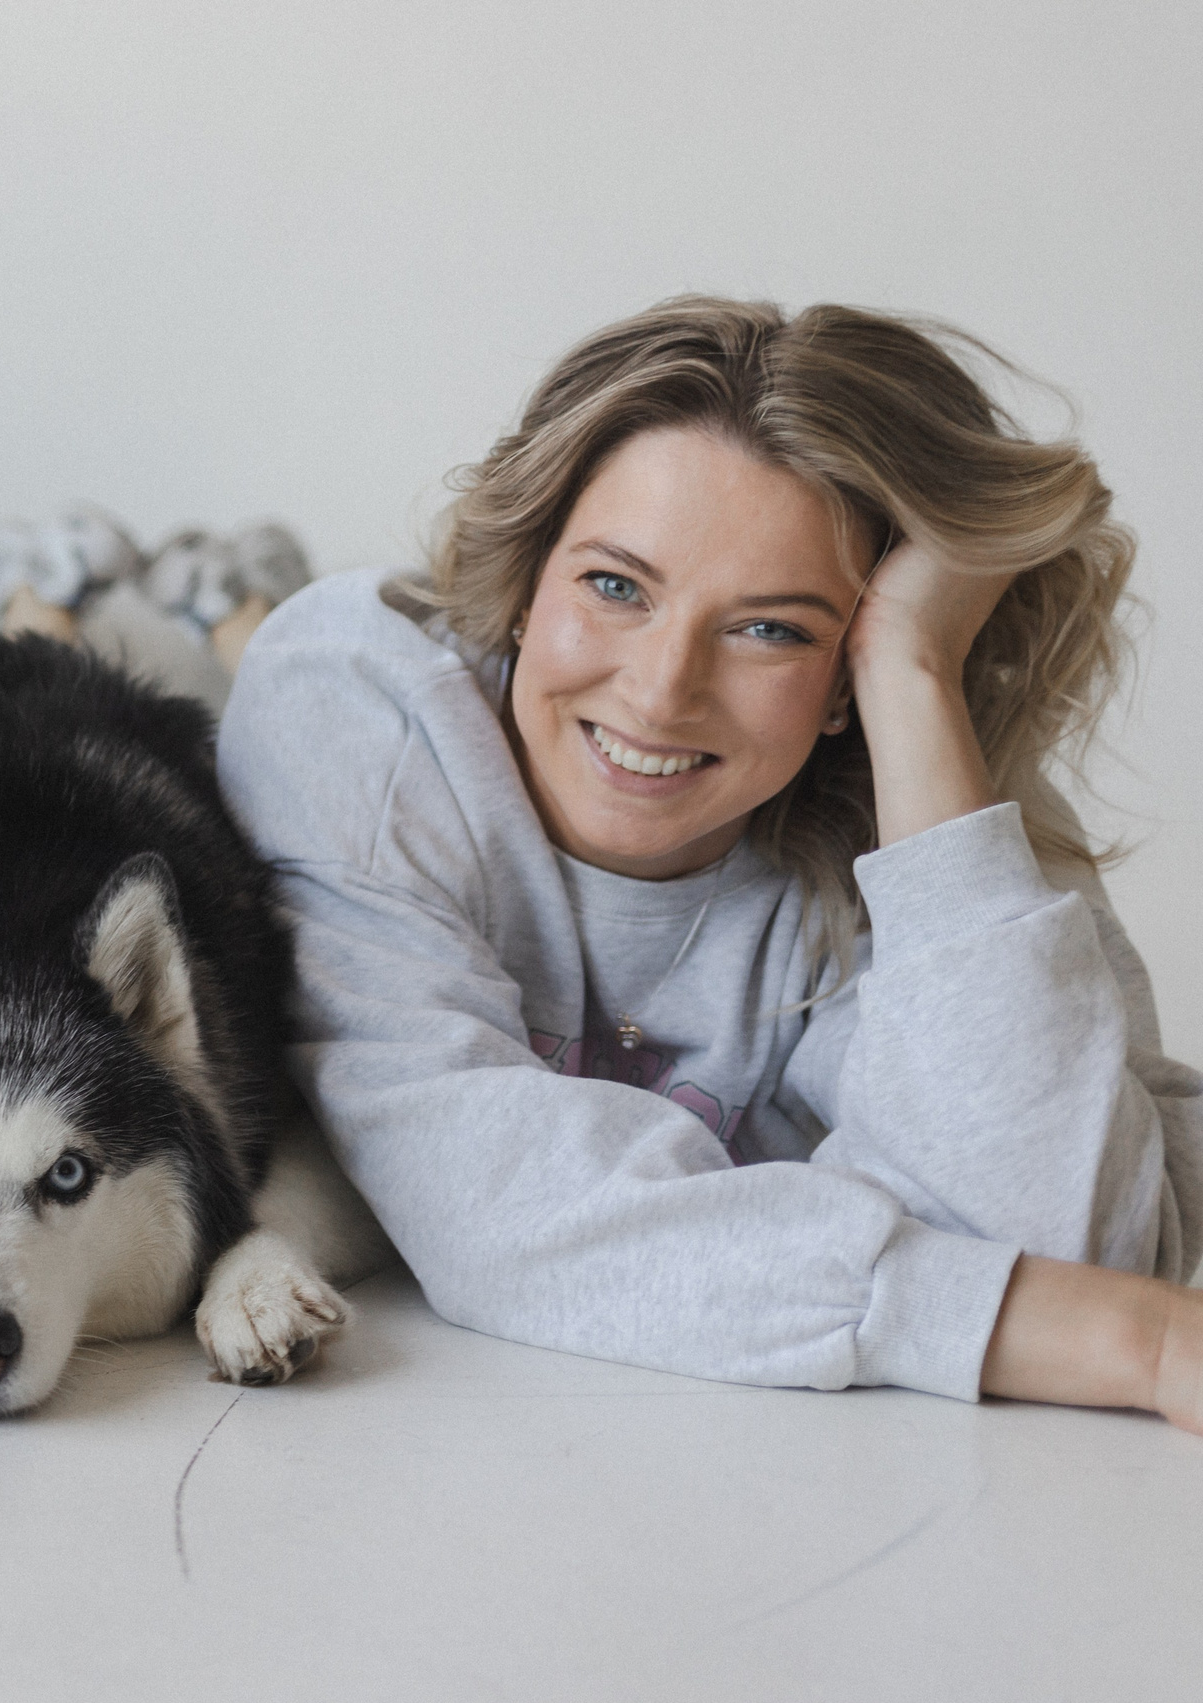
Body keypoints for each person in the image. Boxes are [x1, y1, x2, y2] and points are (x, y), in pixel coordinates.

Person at [219, 297, 1203, 1429]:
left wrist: (913, 674)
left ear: (847, 678)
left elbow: (1064, 1245)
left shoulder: (933, 813)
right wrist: (1138, 1345)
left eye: (772, 629)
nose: (658, 690)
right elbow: (490, 1209)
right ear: (528, 570)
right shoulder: (355, 701)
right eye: (614, 586)